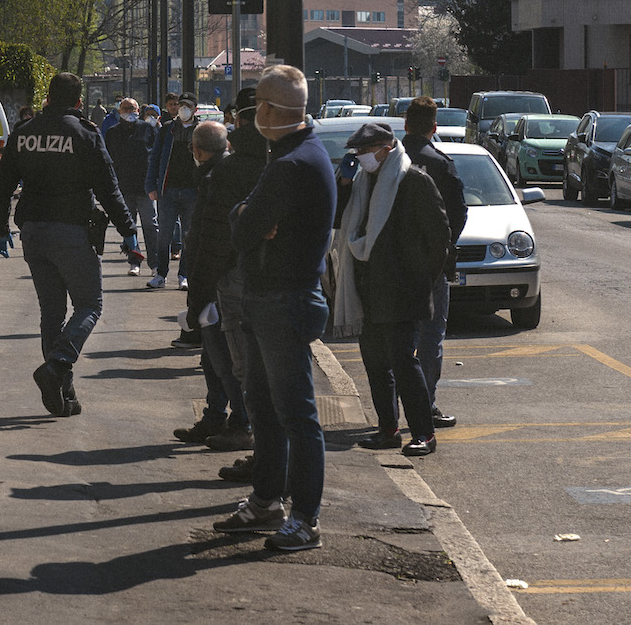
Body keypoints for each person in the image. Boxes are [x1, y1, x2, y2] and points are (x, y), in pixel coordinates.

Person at [212, 65, 335, 553]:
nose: (251, 115)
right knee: (264, 405)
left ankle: (305, 517)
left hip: (283, 299)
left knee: (295, 413)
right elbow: (242, 217)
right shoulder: (295, 154)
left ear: (268, 110)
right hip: (275, 297)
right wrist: (248, 218)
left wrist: (248, 219)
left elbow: (240, 228)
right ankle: (267, 500)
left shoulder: (289, 164)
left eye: (256, 106)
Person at [0, 72, 137, 418]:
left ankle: (63, 393)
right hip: (71, 230)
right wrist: (128, 230)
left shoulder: (23, 134)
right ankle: (57, 366)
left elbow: (2, 186)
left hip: (33, 233)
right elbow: (107, 187)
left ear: (46, 99)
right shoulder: (86, 133)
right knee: (90, 304)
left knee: (52, 314)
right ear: (78, 102)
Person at [333, 122, 450, 459]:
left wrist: (421, 279)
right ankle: (388, 428)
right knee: (375, 362)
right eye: (358, 153)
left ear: (386, 149)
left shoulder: (413, 181)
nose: (362, 159)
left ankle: (424, 433)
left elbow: (439, 236)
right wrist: (342, 183)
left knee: (403, 362)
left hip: (403, 291)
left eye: (366, 152)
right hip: (369, 287)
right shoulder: (361, 184)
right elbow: (342, 221)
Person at [174, 119, 255, 451]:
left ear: (197, 150)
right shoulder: (220, 173)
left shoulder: (217, 178)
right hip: (222, 274)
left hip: (221, 277)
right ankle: (216, 415)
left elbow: (210, 238)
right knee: (213, 355)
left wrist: (199, 289)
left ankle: (239, 422)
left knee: (223, 356)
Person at [402, 98, 468, 429]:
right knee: (430, 337)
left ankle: (391, 412)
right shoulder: (440, 163)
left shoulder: (390, 161)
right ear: (434, 128)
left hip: (393, 266)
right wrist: (442, 250)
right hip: (431, 268)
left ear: (405, 124)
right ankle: (424, 405)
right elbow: (457, 215)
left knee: (397, 339)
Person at [146, 91, 201, 290]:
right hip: (167, 190)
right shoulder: (167, 129)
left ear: (195, 109)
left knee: (189, 236)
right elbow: (155, 158)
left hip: (192, 191)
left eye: (187, 106)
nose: (182, 109)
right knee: (164, 235)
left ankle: (184, 275)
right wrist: (151, 185)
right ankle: (161, 274)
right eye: (180, 105)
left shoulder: (201, 130)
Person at [103, 97, 158, 276]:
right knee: (129, 226)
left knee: (150, 225)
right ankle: (134, 260)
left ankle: (155, 263)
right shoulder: (113, 132)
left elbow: (156, 155)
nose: (129, 112)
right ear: (119, 111)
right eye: (125, 109)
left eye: (132, 109)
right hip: (124, 187)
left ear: (138, 111)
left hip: (145, 187)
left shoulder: (148, 129)